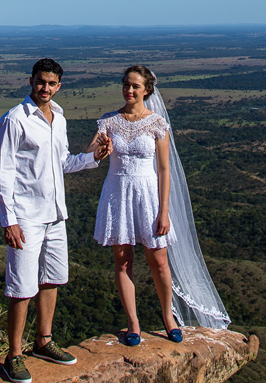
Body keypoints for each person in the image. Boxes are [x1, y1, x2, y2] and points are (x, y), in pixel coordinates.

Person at [93, 65, 231, 346]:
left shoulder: (156, 123)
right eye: (125, 85)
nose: (129, 90)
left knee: (159, 262)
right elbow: (89, 154)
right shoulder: (107, 122)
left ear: (147, 90)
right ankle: (133, 323)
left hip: (149, 196)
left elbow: (165, 170)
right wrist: (98, 149)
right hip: (118, 194)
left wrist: (164, 210)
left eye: (135, 86)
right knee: (122, 262)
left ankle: (168, 316)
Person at [0, 58, 112, 383]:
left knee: (52, 279)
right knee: (20, 287)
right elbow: (3, 175)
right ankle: (13, 355)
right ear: (31, 81)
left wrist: (93, 158)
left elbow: (61, 162)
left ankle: (43, 342)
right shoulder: (15, 120)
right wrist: (9, 220)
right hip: (26, 217)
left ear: (59, 86)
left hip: (56, 215)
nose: (45, 88)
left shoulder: (58, 118)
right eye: (41, 82)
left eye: (52, 83)